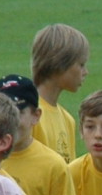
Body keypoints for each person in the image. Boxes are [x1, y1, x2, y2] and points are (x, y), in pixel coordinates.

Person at [28, 21, 90, 162]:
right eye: (81, 65)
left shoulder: (68, 120)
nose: (85, 72)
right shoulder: (29, 115)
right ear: (60, 63)